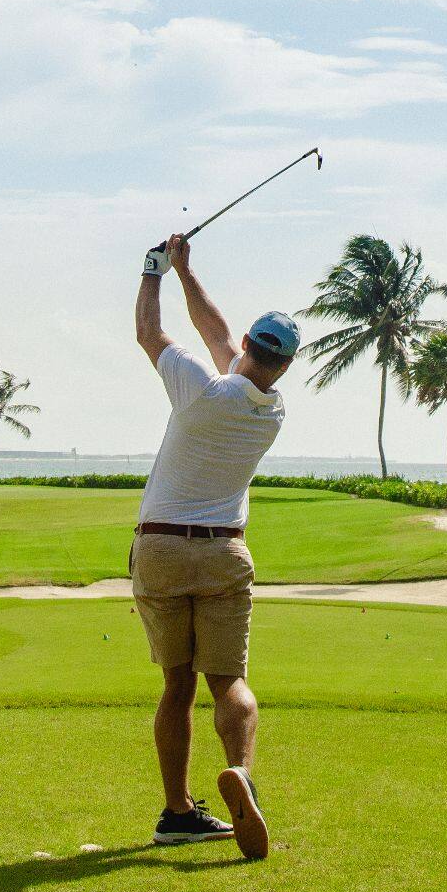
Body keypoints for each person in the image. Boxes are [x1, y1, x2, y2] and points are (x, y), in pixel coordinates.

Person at [131, 230, 296, 859]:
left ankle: (177, 812)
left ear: (248, 348)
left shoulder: (200, 386)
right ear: (282, 364)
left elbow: (153, 335)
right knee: (228, 680)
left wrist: (154, 273)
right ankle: (242, 775)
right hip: (224, 551)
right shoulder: (271, 410)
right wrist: (186, 271)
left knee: (176, 686)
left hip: (161, 550)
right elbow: (218, 336)